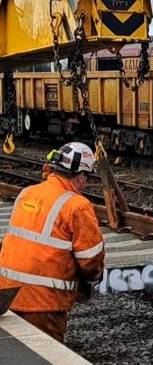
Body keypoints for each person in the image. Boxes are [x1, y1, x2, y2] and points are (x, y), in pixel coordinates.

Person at [0, 142, 105, 343]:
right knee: (42, 361)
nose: (86, 184)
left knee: (15, 351)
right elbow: (91, 258)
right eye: (87, 178)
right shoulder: (77, 206)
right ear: (80, 175)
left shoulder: (27, 193)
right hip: (44, 301)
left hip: (7, 294)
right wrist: (93, 281)